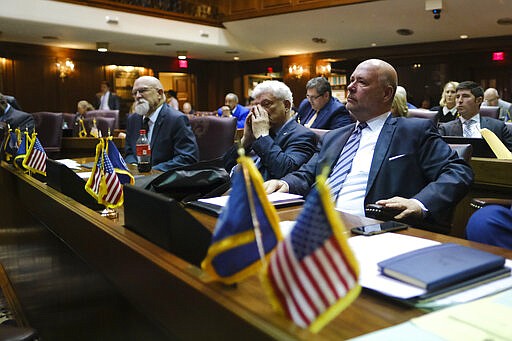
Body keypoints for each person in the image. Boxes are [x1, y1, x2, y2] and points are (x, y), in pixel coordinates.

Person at [264, 59, 473, 227]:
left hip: (369, 228)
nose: (350, 87)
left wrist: (419, 203)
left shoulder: (412, 131)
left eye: (361, 82)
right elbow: (308, 173)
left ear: (386, 93)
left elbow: (458, 171)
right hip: (310, 222)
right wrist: (285, 183)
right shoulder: (334, 136)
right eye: (351, 80)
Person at [223, 80, 317, 181]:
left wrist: (263, 136)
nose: (258, 111)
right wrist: (246, 140)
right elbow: (224, 166)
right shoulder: (256, 132)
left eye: (266, 104)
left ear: (286, 105)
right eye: (256, 105)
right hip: (231, 186)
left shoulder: (303, 135)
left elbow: (285, 171)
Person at [124, 76, 199, 172]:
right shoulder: (133, 119)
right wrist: (135, 167)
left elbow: (187, 158)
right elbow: (129, 152)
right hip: (136, 179)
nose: (138, 96)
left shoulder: (176, 119)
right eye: (134, 93)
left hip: (164, 180)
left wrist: (151, 172)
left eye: (142, 91)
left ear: (159, 93)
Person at [438, 81, 512, 151]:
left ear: (479, 100)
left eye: (465, 96)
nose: (459, 101)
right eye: (457, 97)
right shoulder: (445, 129)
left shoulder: (498, 127)